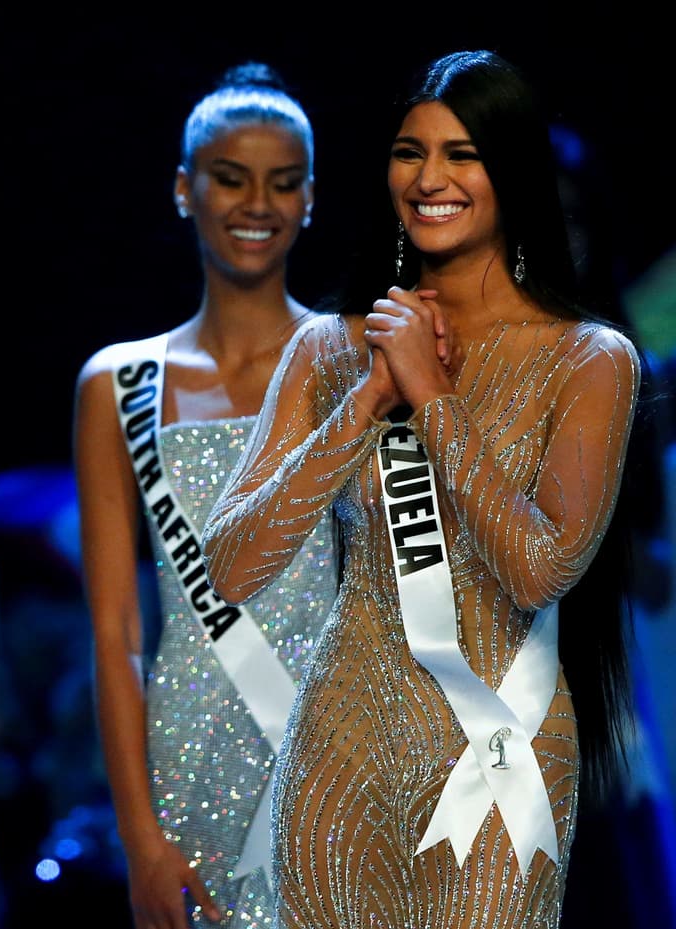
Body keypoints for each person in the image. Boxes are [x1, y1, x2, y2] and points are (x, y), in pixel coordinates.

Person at [201, 50, 642, 928]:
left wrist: (433, 399)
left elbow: (537, 571)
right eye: (411, 152)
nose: (430, 178)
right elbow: (231, 566)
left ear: (512, 171)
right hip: (341, 750)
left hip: (501, 750)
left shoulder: (588, 359)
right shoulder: (331, 349)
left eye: (462, 154)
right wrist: (369, 400)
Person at [73, 62, 338, 928]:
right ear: (185, 190)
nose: (256, 203)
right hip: (187, 760)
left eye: (282, 182)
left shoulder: (355, 359)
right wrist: (139, 839)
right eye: (230, 179)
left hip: (335, 756)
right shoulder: (119, 383)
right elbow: (114, 634)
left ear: (309, 199)